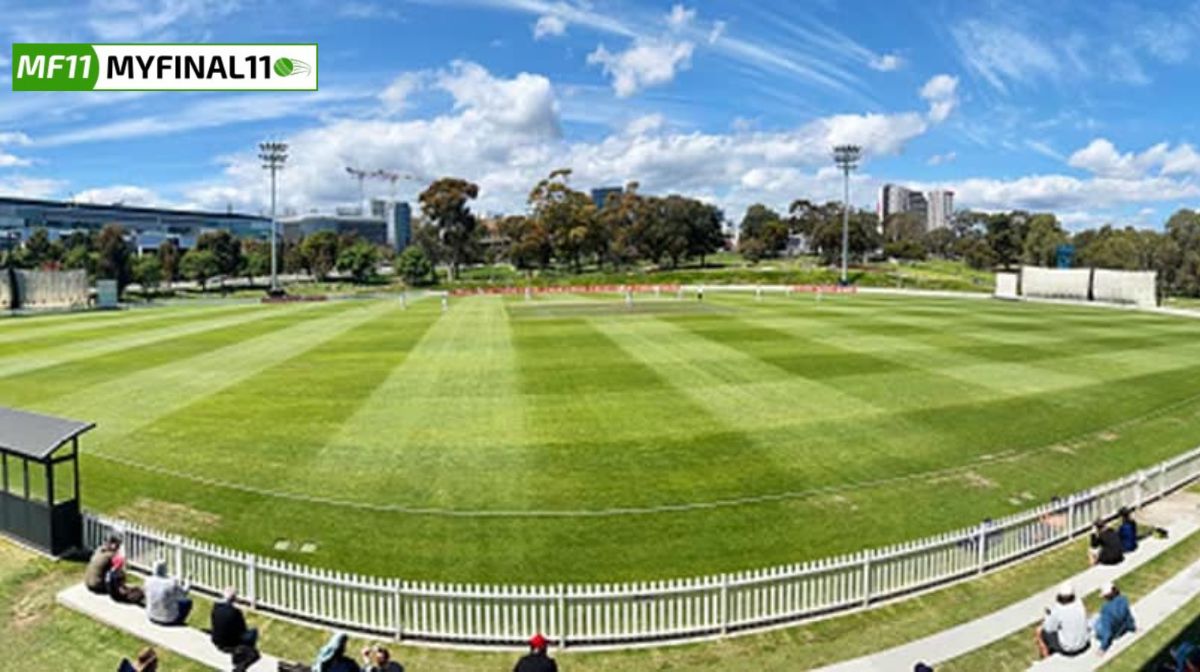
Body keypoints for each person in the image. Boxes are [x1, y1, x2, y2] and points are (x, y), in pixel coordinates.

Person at [1035, 582, 1090, 658]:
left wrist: (1048, 617)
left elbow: (1049, 628)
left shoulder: (1058, 609)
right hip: (1084, 644)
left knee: (1039, 631)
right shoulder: (1080, 604)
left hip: (1069, 649)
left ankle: (1047, 660)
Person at [145, 560, 192, 626]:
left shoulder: (148, 580)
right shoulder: (171, 583)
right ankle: (179, 622)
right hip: (168, 620)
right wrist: (188, 581)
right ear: (165, 570)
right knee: (187, 602)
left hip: (151, 617)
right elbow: (184, 593)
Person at [1093, 581, 1136, 655]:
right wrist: (1133, 628)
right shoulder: (1124, 599)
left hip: (1114, 633)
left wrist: (1102, 648)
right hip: (1121, 629)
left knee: (1096, 622)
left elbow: (1107, 632)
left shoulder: (1106, 609)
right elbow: (1128, 617)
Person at [211, 587, 259, 651]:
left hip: (217, 641)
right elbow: (243, 629)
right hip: (232, 644)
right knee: (254, 632)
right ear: (234, 598)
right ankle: (247, 652)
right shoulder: (234, 612)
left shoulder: (216, 607)